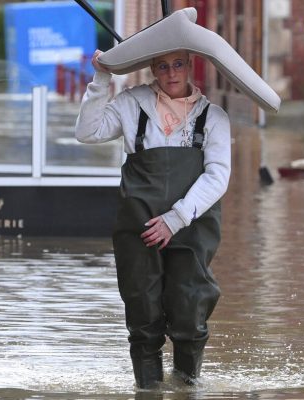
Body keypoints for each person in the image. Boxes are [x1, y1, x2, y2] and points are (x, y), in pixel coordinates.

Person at [75, 49, 231, 389]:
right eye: (162, 66)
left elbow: (217, 177)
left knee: (190, 312)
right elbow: (87, 132)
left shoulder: (214, 117)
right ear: (152, 68)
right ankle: (147, 391)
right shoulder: (132, 105)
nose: (171, 73)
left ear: (190, 65)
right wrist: (102, 77)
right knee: (143, 315)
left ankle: (186, 388)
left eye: (177, 64)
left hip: (192, 225)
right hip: (139, 225)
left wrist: (175, 219)